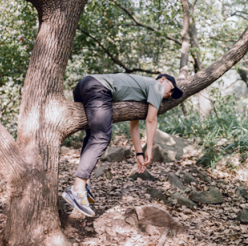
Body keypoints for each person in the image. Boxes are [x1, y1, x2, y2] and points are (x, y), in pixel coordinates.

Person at [62, 73, 183, 217]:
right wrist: (149, 148)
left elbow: (134, 127)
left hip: (84, 85)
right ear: (163, 79)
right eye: (172, 88)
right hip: (98, 87)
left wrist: (139, 153)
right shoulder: (156, 86)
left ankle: (84, 184)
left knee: (92, 136)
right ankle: (76, 190)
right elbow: (151, 119)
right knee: (102, 137)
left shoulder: (141, 90)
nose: (170, 94)